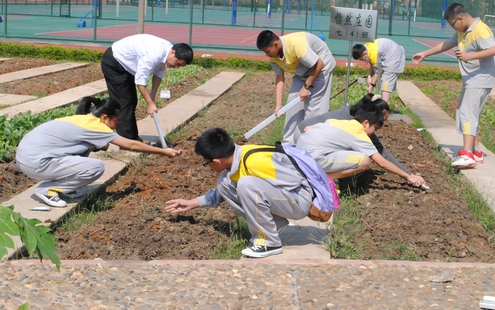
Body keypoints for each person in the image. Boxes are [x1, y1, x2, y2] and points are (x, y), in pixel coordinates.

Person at [164, 127, 313, 259]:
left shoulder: (254, 162)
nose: (207, 166)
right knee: (226, 184)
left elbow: (295, 181)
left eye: (206, 162)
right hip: (289, 198)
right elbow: (225, 191)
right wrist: (192, 203)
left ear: (216, 161)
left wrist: (262, 188)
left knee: (246, 184)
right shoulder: (239, 158)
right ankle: (275, 224)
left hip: (300, 200)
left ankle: (269, 242)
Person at [16, 96, 182, 208]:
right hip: (35, 161)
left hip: (30, 157)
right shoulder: (94, 125)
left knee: (86, 152)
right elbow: (131, 145)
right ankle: (48, 189)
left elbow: (100, 146)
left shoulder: (85, 120)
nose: (118, 124)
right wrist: (164, 151)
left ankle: (67, 188)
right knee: (95, 167)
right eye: (116, 120)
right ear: (104, 117)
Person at [412, 3, 495, 169]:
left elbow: (494, 49)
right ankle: (476, 151)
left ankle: (467, 155)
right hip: (472, 79)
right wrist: (424, 54)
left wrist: (469, 56)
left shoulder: (480, 29)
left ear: (460, 17)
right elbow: (446, 44)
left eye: (453, 24)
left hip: (480, 79)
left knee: (467, 113)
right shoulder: (462, 30)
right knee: (469, 113)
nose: (453, 28)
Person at [295, 106, 426, 187]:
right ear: (366, 122)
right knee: (364, 161)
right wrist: (408, 176)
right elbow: (382, 162)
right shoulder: (359, 134)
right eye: (375, 128)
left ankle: (315, 173)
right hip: (313, 157)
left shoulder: (342, 122)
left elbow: (307, 128)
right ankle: (323, 180)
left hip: (299, 153)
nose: (374, 132)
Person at [101, 34, 194, 142]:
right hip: (114, 62)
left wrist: (152, 96)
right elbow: (140, 81)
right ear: (173, 52)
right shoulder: (154, 54)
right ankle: (127, 140)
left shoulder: (167, 52)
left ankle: (129, 136)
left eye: (180, 66)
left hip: (126, 66)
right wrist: (149, 104)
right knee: (124, 101)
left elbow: (159, 74)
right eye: (177, 63)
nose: (176, 67)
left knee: (131, 101)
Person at [294, 94, 411, 175]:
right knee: (360, 158)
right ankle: (326, 178)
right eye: (382, 119)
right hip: (305, 136)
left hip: (303, 136)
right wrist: (407, 174)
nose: (382, 123)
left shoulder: (351, 114)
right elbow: (381, 156)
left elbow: (311, 128)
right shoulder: (358, 126)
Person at [256, 30, 336, 145]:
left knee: (313, 109)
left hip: (321, 69)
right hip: (302, 73)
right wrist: (278, 105)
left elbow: (319, 64)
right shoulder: (274, 57)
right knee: (292, 104)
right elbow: (279, 78)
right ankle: (289, 143)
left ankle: (311, 144)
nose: (267, 55)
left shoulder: (297, 45)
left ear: (275, 45)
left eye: (267, 51)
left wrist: (306, 86)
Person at [351, 38, 405, 103]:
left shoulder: (373, 53)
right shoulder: (366, 47)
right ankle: (381, 103)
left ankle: (383, 108)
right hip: (391, 51)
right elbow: (373, 64)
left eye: (361, 59)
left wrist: (372, 85)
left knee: (386, 83)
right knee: (384, 82)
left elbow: (378, 72)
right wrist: (369, 76)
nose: (363, 61)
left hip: (394, 56)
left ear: (365, 53)